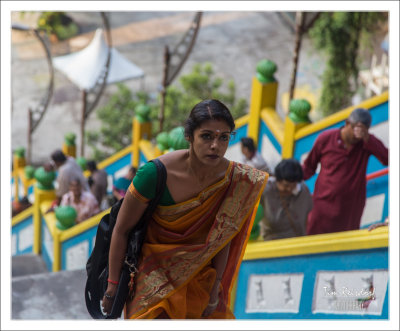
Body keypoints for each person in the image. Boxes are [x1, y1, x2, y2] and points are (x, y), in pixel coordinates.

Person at [102, 99, 269, 319]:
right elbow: (121, 229)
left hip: (198, 282)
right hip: (152, 280)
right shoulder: (154, 174)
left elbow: (222, 238)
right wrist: (113, 286)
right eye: (206, 136)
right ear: (189, 136)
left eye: (223, 138)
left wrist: (215, 287)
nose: (215, 145)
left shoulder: (233, 180)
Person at [302, 108, 388, 235]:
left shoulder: (365, 143)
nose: (357, 134)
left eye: (362, 130)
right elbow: (308, 167)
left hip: (349, 212)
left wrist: (368, 139)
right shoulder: (326, 139)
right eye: (355, 128)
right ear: (347, 123)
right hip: (322, 207)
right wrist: (289, 179)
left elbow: (387, 159)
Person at [260, 158, 312, 240]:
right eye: (286, 185)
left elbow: (308, 218)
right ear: (277, 180)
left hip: (297, 242)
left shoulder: (303, 190)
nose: (289, 189)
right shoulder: (266, 190)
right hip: (272, 243)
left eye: (293, 185)